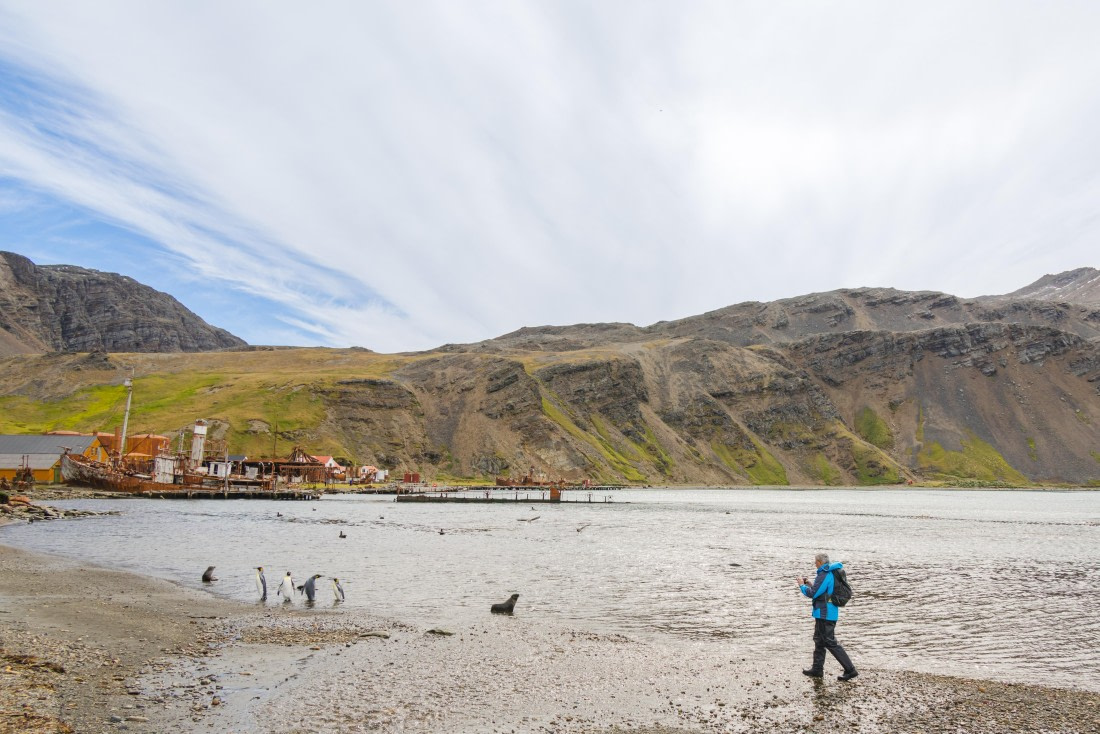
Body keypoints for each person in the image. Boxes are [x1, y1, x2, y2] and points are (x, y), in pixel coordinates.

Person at [797, 552, 858, 681]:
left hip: (826, 614)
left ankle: (850, 670)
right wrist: (809, 583)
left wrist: (801, 585)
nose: (814, 564)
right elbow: (822, 591)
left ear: (819, 562)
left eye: (815, 562)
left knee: (830, 642)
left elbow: (813, 594)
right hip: (825, 613)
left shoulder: (824, 573)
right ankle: (817, 669)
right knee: (819, 640)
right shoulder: (829, 572)